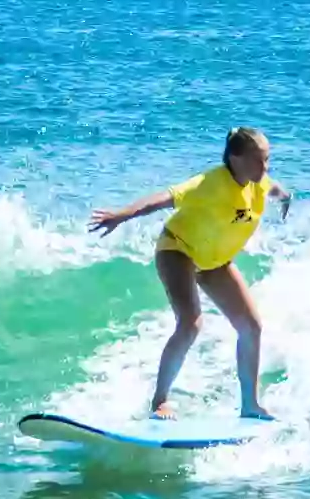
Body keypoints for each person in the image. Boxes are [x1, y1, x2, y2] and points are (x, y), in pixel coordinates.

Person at [88, 127, 293, 420]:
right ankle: (160, 402)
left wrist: (284, 197)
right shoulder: (209, 184)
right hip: (178, 249)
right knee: (191, 323)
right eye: (258, 160)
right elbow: (162, 199)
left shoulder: (258, 183)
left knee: (251, 326)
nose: (265, 167)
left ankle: (250, 405)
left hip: (214, 261)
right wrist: (123, 214)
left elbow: (273, 188)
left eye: (267, 159)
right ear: (235, 158)